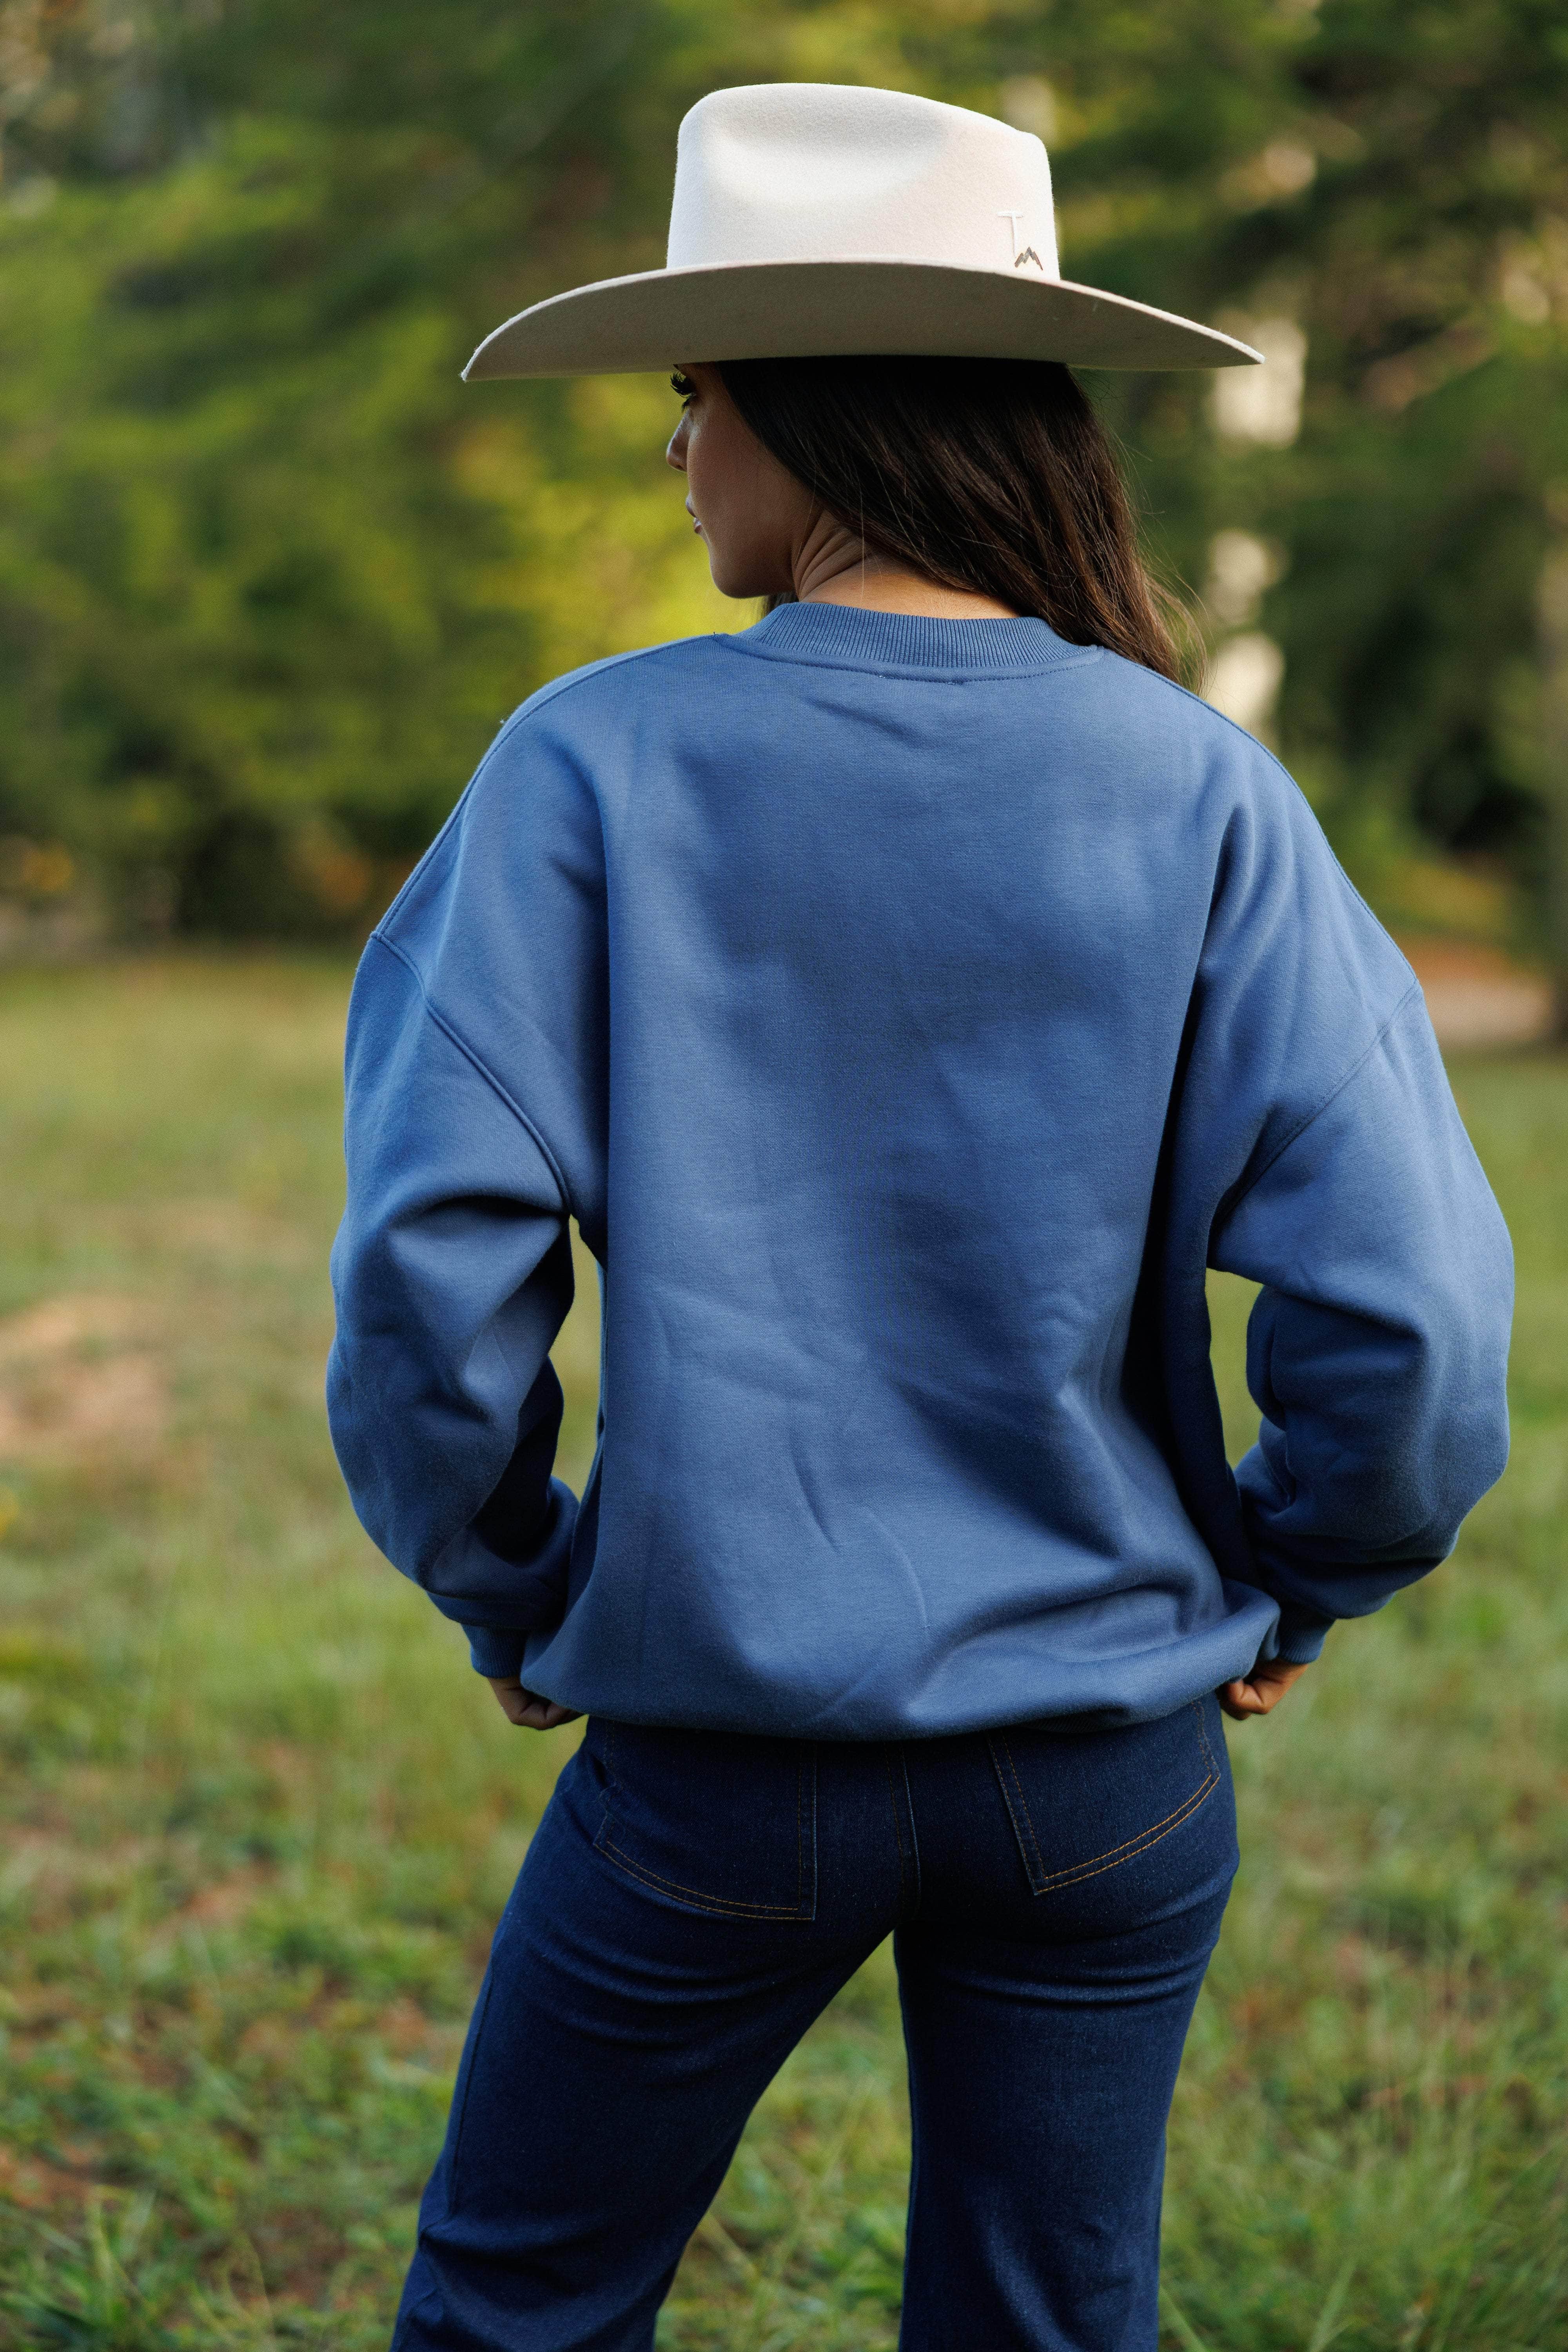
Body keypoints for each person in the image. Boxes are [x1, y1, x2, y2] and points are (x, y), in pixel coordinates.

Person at [327, 83, 1512, 2352]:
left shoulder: (584, 767)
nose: (677, 454)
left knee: (519, 2306)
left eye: (693, 401)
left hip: (717, 1766)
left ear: (811, 408)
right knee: (1051, 2322)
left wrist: (509, 1578)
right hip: (1109, 1768)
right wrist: (1307, 1568)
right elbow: (1422, 1315)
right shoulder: (1202, 788)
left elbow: (427, 1281)